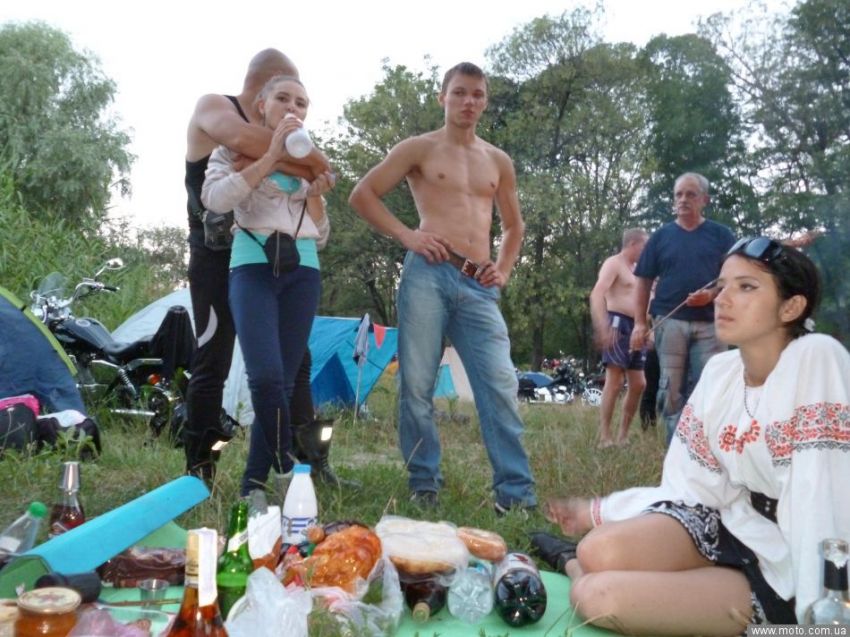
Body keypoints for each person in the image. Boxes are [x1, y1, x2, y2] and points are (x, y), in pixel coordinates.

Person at [531, 238, 850, 633]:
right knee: (596, 548)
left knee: (596, 598)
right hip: (733, 522)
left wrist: (822, 612)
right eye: (722, 285)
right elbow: (689, 486)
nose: (723, 299)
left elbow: (821, 497)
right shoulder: (721, 372)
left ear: (791, 307)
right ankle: (593, 563)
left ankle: (573, 567)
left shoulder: (817, 358)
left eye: (746, 287)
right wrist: (602, 509)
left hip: (789, 561)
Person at [349, 62, 536, 514]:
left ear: (485, 101)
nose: (468, 101)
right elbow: (362, 194)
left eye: (477, 94)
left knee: (500, 383)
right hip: (428, 274)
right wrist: (407, 235)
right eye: (459, 92)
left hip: (479, 284)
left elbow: (514, 226)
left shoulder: (498, 161)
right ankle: (424, 483)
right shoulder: (419, 148)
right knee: (416, 384)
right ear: (443, 97)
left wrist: (504, 269)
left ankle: (515, 495)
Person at [183, 49, 333, 482]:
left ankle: (306, 465)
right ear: (262, 93)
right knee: (213, 358)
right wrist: (297, 159)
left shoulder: (293, 140)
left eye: (301, 100)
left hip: (287, 258)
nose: (293, 106)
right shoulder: (218, 106)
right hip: (219, 253)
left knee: (295, 365)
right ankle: (200, 468)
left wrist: (305, 166)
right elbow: (241, 140)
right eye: (284, 94)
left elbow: (321, 175)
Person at [630, 173, 735, 444]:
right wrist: (640, 323)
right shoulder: (660, 237)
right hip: (670, 322)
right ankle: (675, 453)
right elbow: (643, 282)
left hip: (712, 324)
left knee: (709, 388)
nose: (683, 199)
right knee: (670, 390)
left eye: (690, 194)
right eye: (679, 194)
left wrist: (712, 294)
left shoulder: (722, 236)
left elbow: (733, 278)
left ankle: (706, 453)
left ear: (704, 200)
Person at [589, 228, 648, 448]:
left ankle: (623, 435)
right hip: (617, 323)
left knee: (639, 383)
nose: (647, 250)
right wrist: (602, 324)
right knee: (614, 381)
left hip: (637, 327)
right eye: (644, 245)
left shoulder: (640, 270)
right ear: (633, 244)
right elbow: (597, 293)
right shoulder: (614, 263)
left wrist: (648, 328)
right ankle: (605, 436)